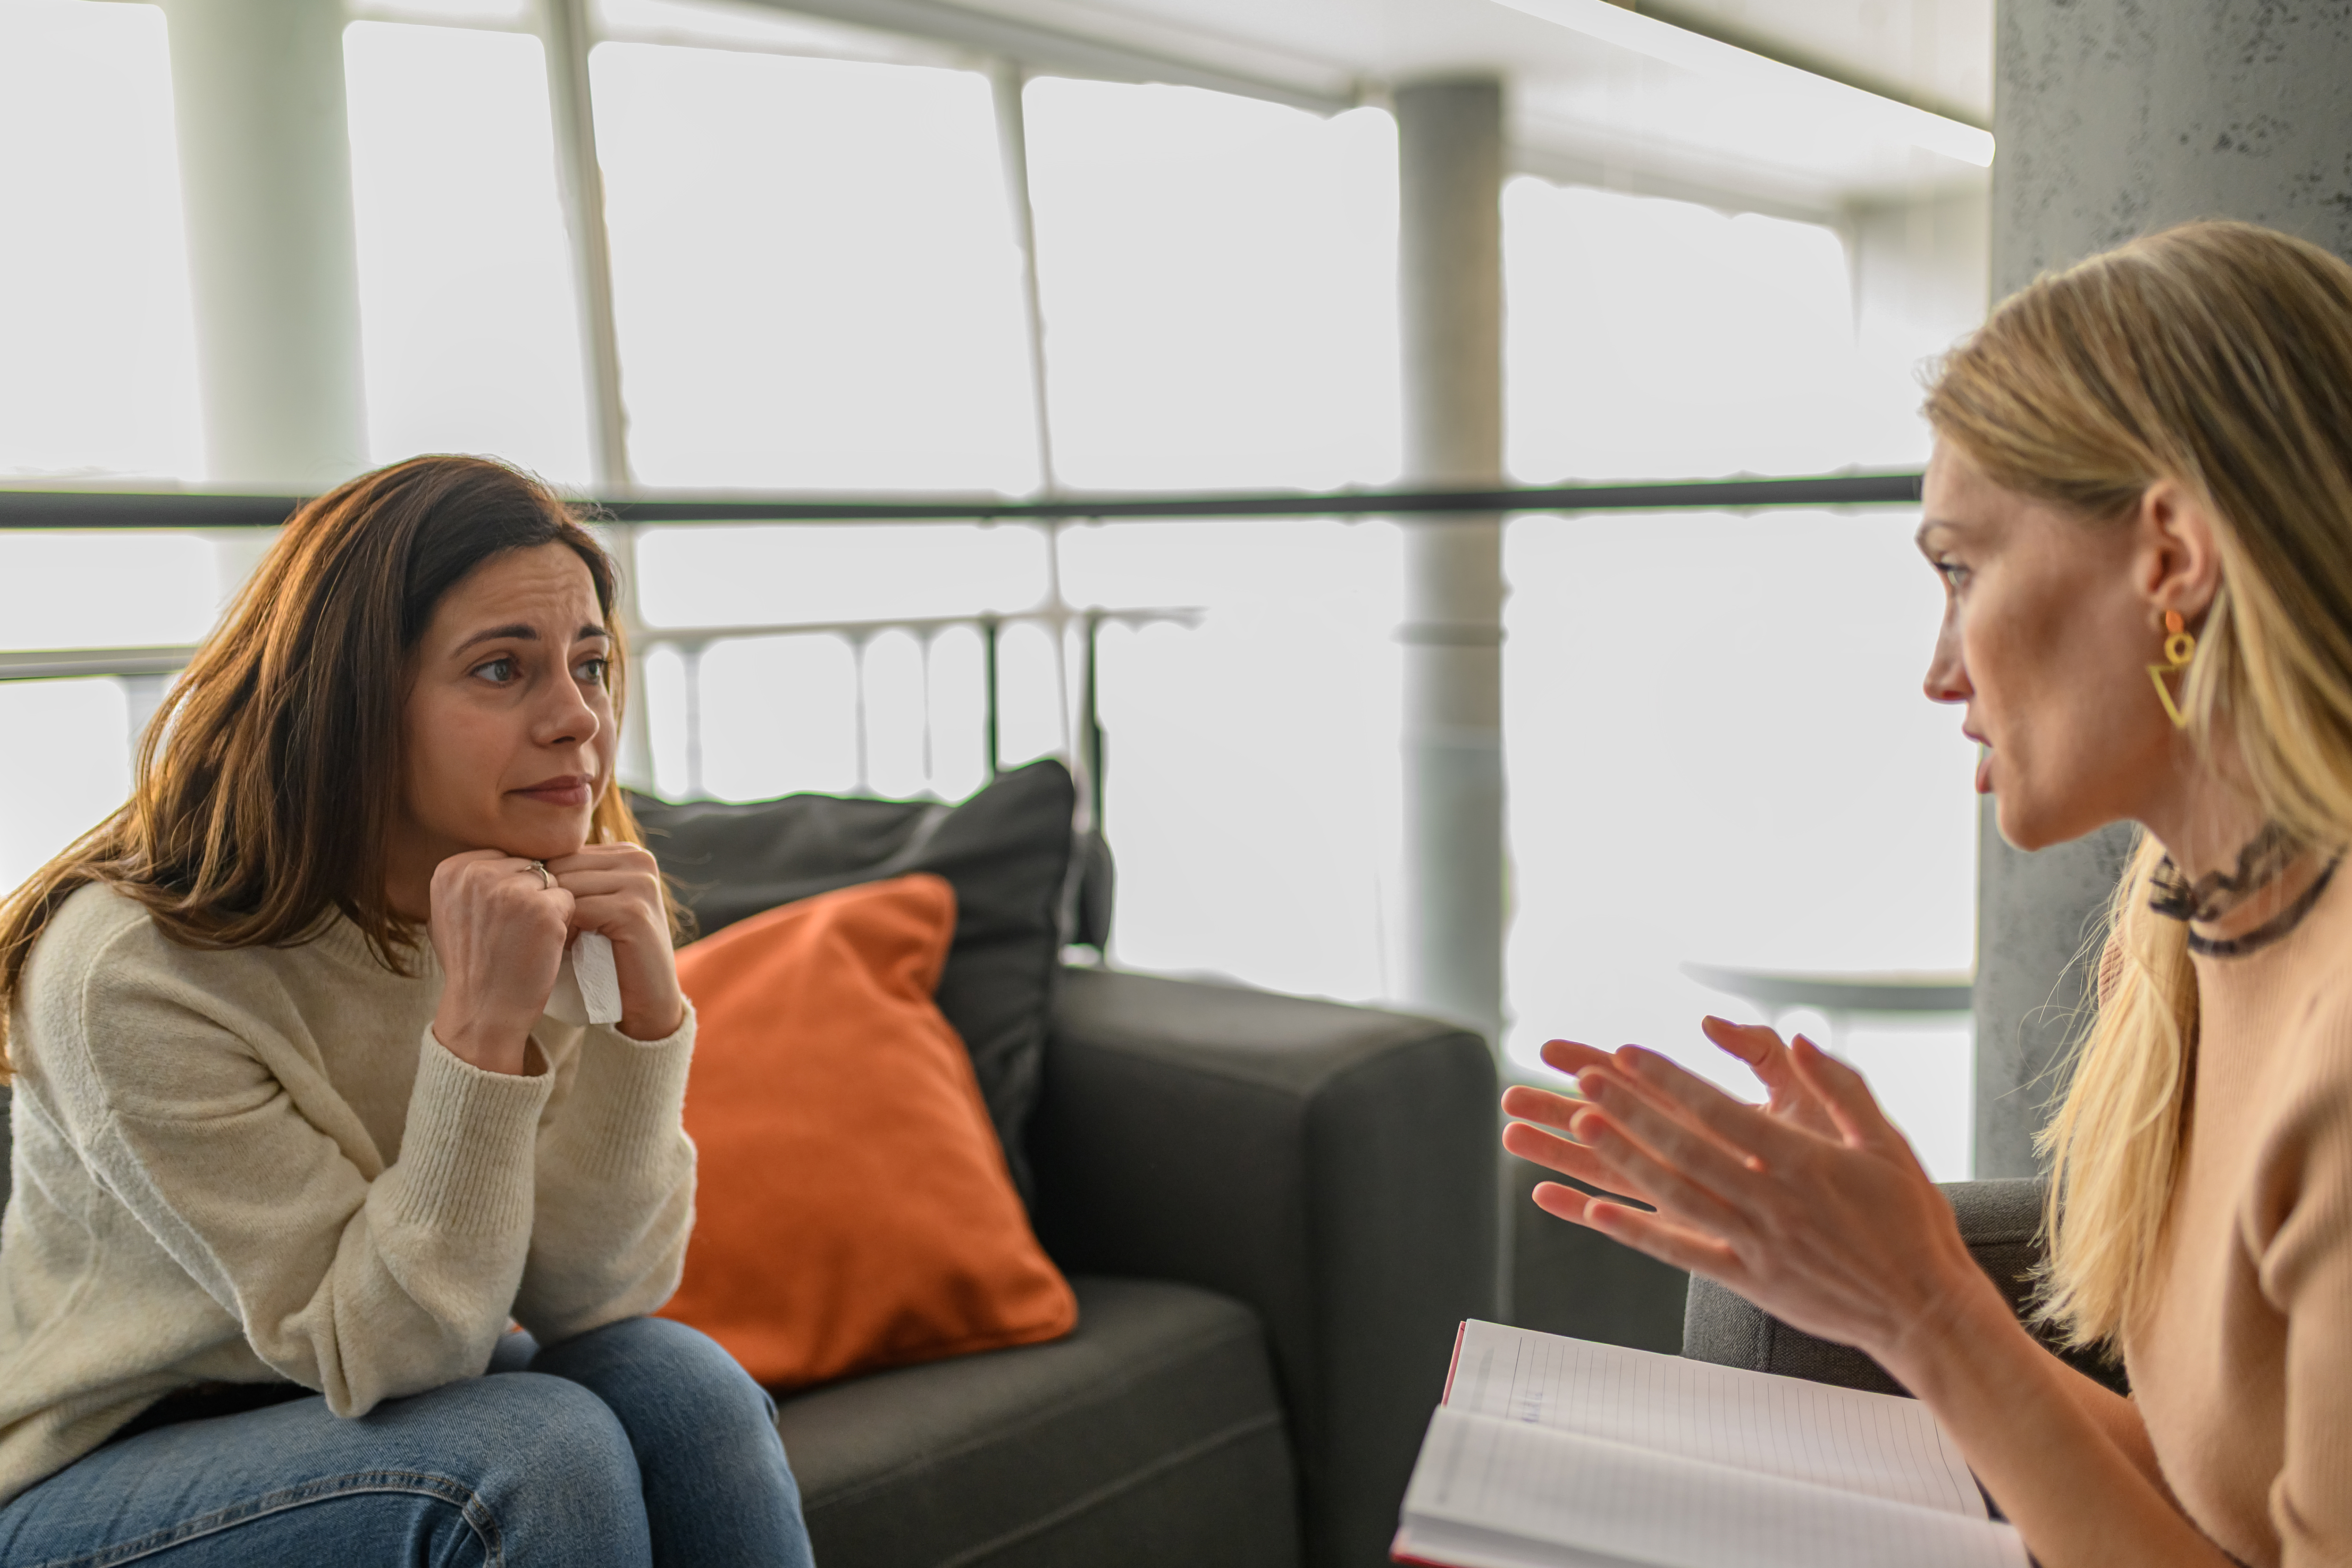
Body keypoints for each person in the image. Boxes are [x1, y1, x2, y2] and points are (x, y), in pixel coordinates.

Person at [1504, 219, 2352, 1568]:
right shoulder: (2190, 929)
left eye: (1961, 569)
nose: (1939, 669)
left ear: (2172, 559)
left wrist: (1926, 1315)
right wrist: (1898, 1289)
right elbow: (2218, 1491)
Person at [0, 455, 816, 1566]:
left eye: (590, 665)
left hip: (369, 1397)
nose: (576, 718)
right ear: (352, 704)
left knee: (686, 1388)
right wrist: (480, 1032)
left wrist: (644, 1024)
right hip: (104, 1463)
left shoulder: (527, 887)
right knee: (539, 1451)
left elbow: (598, 1294)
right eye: (500, 668)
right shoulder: (134, 970)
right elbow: (380, 1349)